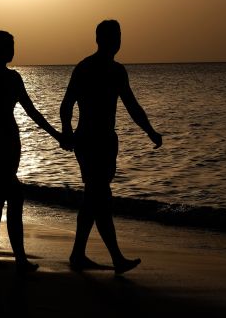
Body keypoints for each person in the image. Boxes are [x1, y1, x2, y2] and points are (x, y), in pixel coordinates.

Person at [60, 19, 162, 274]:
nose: (116, 41)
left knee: (93, 199)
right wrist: (67, 131)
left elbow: (132, 106)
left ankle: (78, 254)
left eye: (119, 36)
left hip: (107, 141)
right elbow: (67, 104)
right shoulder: (85, 68)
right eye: (112, 36)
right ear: (100, 39)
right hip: (88, 140)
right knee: (100, 196)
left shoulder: (118, 71)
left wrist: (150, 131)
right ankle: (115, 258)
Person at [0, 30, 63, 273]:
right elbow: (31, 112)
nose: (13, 49)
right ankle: (18, 259)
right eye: (9, 45)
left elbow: (31, 111)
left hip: (2, 144)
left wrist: (57, 135)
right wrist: (57, 135)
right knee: (13, 196)